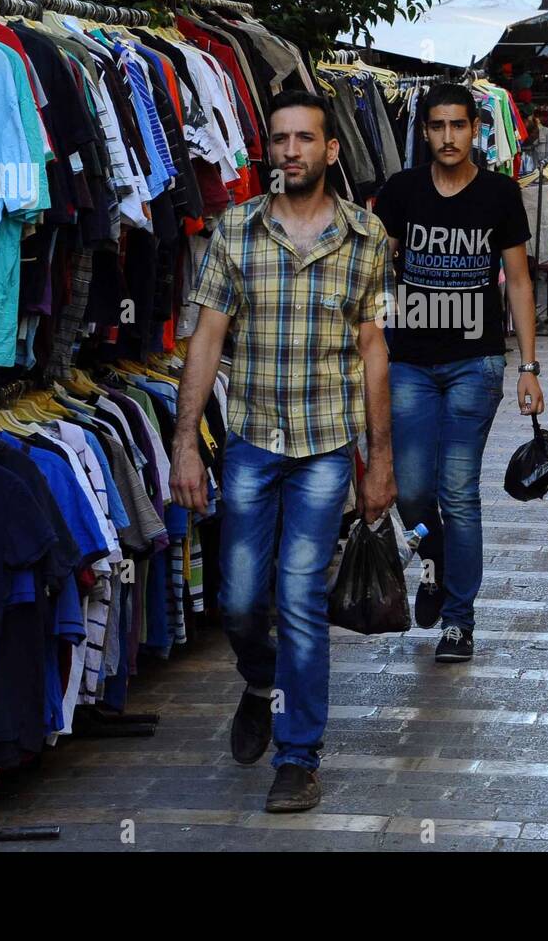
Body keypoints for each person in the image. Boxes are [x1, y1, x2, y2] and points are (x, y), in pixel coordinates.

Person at [171, 91, 396, 813]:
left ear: (332, 150)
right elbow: (205, 339)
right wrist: (184, 444)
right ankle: (260, 678)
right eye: (279, 139)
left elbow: (374, 351)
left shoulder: (367, 239)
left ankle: (299, 756)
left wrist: (380, 459)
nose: (290, 150)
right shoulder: (235, 231)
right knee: (238, 601)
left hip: (326, 448)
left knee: (299, 594)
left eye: (304, 138)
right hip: (251, 445)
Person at [374, 83, 545, 665]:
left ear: (476, 129)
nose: (448, 137)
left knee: (457, 490)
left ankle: (458, 620)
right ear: (424, 132)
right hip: (410, 364)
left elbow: (518, 280)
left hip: (476, 362)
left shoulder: (499, 194)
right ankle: (436, 559)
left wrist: (528, 365)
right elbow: (377, 274)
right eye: (437, 126)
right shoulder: (400, 192)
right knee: (414, 491)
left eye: (459, 126)